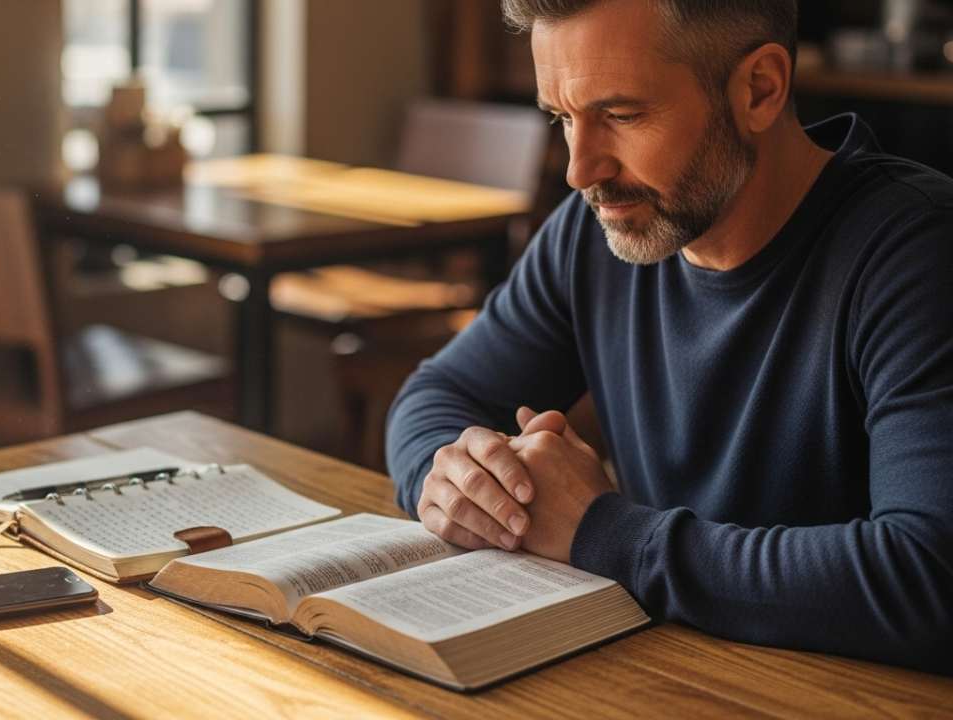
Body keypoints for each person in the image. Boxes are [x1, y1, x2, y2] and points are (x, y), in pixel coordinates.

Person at [386, 0, 952, 673]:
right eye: (563, 119)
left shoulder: (916, 253)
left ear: (760, 89)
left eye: (621, 116)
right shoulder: (592, 234)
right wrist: (457, 479)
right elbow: (438, 394)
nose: (579, 169)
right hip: (667, 679)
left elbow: (927, 576)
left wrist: (603, 533)